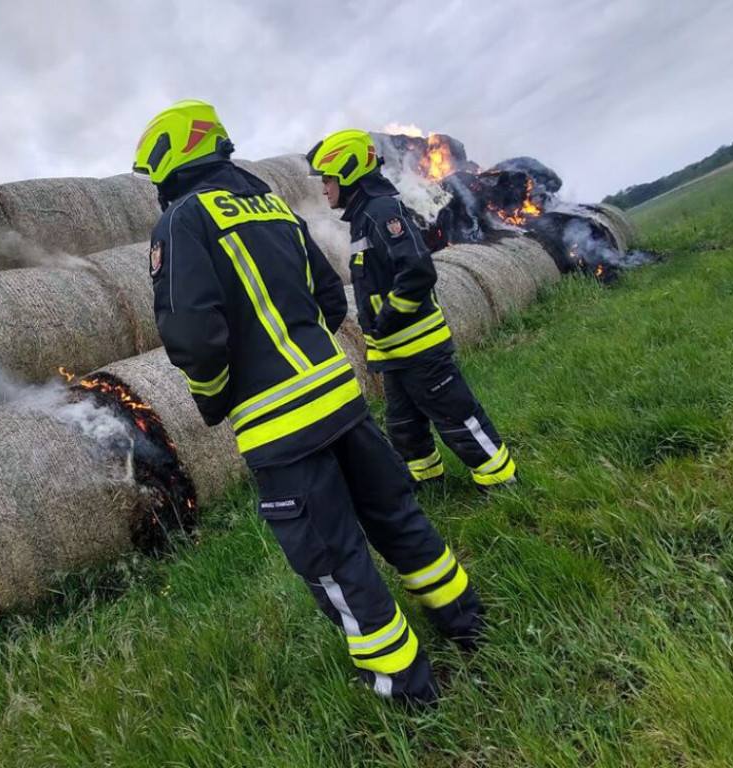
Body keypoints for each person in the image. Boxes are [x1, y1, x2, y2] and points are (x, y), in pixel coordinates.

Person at [132, 100, 484, 708]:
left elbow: (192, 334)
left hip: (282, 429)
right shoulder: (272, 206)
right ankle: (466, 622)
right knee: (397, 519)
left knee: (335, 563)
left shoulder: (182, 222)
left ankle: (408, 691)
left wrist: (215, 399)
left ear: (171, 162)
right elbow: (329, 295)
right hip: (343, 401)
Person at [306, 129, 517, 491]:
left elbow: (418, 270)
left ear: (347, 171)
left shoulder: (382, 211)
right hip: (395, 353)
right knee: (405, 427)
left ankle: (501, 480)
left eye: (327, 179)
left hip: (419, 348)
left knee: (455, 415)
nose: (323, 189)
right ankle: (429, 483)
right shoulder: (362, 216)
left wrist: (387, 318)